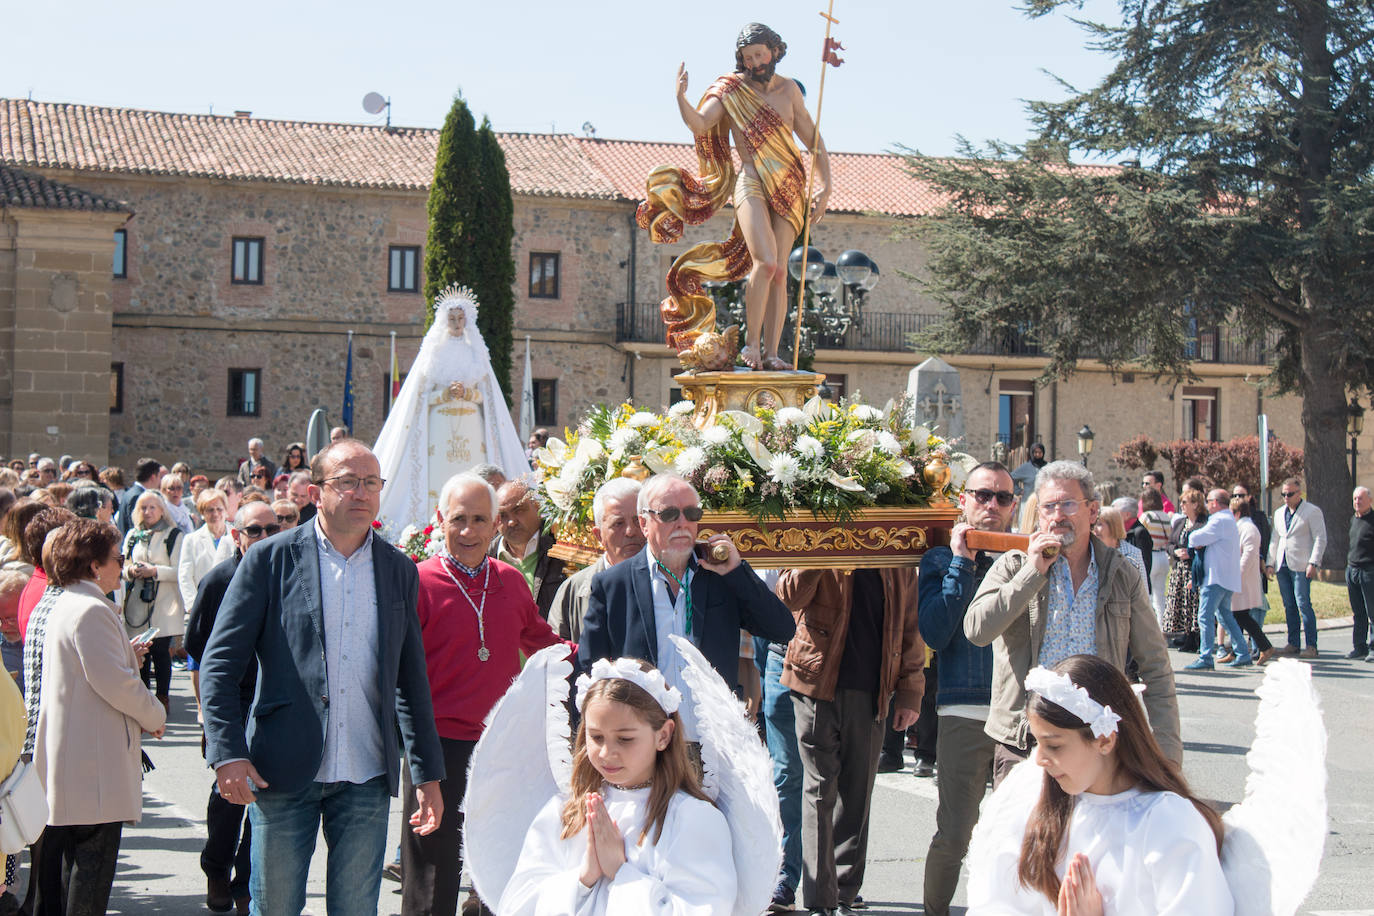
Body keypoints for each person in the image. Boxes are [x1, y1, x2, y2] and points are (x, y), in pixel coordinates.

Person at [199, 438, 446, 916]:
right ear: (316, 494)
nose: (361, 493)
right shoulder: (269, 560)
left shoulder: (398, 569)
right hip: (282, 772)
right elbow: (220, 663)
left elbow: (410, 680)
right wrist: (226, 752)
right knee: (276, 907)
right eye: (348, 482)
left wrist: (426, 773)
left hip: (367, 776)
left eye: (371, 483)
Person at [402, 473, 573, 916]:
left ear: (496, 523)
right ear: (440, 520)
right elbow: (400, 674)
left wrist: (600, 658)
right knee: (433, 871)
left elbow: (542, 641)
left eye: (480, 519)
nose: (468, 531)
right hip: (437, 744)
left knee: (500, 864)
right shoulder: (417, 583)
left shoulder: (510, 580)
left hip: (498, 745)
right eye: (458, 518)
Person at [964, 460, 1181, 784]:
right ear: (1039, 514)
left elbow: (1156, 669)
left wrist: (1167, 758)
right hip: (1026, 744)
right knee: (1029, 836)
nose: (1058, 514)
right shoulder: (1014, 566)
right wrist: (1032, 573)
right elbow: (977, 630)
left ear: (1092, 511)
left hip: (1098, 745)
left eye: (1068, 504)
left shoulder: (1122, 575)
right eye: (1049, 506)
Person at [965, 655, 1231, 915]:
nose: (1040, 759)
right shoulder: (1039, 807)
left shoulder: (1168, 822)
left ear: (1105, 740)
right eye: (1037, 743)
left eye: (1054, 745)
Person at [639, 23, 830, 371]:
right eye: (748, 57)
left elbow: (813, 140)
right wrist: (681, 97)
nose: (756, 62)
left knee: (780, 273)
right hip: (752, 179)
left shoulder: (789, 91)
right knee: (766, 262)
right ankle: (752, 345)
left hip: (789, 183)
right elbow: (699, 124)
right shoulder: (729, 90)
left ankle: (773, 353)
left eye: (760, 54)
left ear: (773, 51)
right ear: (741, 59)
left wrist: (826, 187)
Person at [497, 659, 736, 915]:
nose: (607, 752)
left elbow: (704, 908)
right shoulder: (565, 812)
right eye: (596, 737)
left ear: (663, 735)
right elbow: (516, 906)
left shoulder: (692, 819)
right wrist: (583, 877)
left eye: (625, 739)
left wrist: (621, 873)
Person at [577, 474, 795, 734]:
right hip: (645, 745)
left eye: (691, 513)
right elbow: (590, 671)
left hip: (714, 743)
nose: (682, 523)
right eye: (669, 514)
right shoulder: (613, 584)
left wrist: (738, 571)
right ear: (645, 524)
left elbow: (781, 629)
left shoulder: (721, 576)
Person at [32, 518, 166, 915]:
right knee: (90, 877)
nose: (121, 566)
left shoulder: (73, 602)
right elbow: (116, 683)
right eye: (116, 558)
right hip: (93, 765)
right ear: (93, 565)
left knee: (76, 872)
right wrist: (154, 712)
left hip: (81, 758)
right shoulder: (90, 608)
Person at [778, 557, 923, 916]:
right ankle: (820, 900)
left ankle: (843, 893)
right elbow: (787, 597)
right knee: (819, 791)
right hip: (815, 682)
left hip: (873, 689)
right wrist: (822, 552)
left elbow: (909, 627)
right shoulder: (816, 532)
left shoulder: (895, 555)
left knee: (857, 792)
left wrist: (909, 692)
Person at [917, 462, 1016, 916]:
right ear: (964, 499)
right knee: (955, 831)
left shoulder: (1025, 557)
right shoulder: (940, 561)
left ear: (1014, 505)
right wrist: (962, 561)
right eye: (982, 495)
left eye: (1002, 497)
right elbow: (935, 633)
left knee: (1019, 832)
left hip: (1019, 715)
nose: (992, 505)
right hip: (966, 709)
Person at [184, 501, 280, 915]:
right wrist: (209, 709)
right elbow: (197, 650)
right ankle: (217, 867)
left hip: (274, 698)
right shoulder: (217, 581)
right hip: (233, 698)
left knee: (266, 792)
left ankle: (246, 882)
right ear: (236, 534)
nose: (263, 537)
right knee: (228, 796)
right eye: (254, 530)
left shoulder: (290, 576)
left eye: (271, 529)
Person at [374, 286, 530, 531]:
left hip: (470, 427)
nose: (457, 323)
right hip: (440, 426)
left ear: (467, 320)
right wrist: (445, 394)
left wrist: (468, 393)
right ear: (444, 321)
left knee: (472, 471)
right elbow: (421, 398)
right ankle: (436, 525)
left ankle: (476, 519)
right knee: (439, 474)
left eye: (460, 318)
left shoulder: (476, 354)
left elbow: (487, 398)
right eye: (452, 318)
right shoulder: (433, 354)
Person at [549, 478, 645, 642]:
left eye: (638, 521)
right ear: (598, 535)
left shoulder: (670, 581)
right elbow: (555, 656)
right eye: (618, 523)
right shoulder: (574, 591)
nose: (630, 531)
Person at [122, 490, 185, 712]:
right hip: (138, 604)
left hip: (163, 603)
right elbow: (123, 564)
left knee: (160, 652)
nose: (147, 512)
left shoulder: (173, 535)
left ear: (161, 510)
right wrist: (131, 570)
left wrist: (155, 571)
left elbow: (179, 570)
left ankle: (162, 697)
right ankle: (143, 698)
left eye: (152, 507)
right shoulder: (132, 535)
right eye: (143, 508)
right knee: (141, 653)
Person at [1180, 489, 1248, 670]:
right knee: (1225, 616)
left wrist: (1196, 539)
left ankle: (1206, 656)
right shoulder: (1228, 519)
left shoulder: (1219, 520)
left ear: (1216, 503)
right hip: (1225, 576)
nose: (1207, 504)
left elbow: (1195, 536)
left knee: (1205, 616)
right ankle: (1242, 651)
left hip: (1215, 577)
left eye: (1209, 500)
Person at [1265, 477, 1327, 658]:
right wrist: (1270, 563)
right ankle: (1293, 643)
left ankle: (1311, 645)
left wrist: (1313, 562)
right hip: (1283, 563)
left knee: (1303, 604)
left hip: (1301, 564)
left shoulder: (1312, 511)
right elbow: (1275, 539)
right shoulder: (1278, 513)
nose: (1286, 497)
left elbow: (1320, 538)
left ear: (1299, 493)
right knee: (1289, 605)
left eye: (1289, 494)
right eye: (1283, 494)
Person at [492, 480, 567, 620]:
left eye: (519, 510)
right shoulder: (485, 557)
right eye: (502, 515)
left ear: (537, 507)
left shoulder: (563, 545)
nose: (511, 521)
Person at [1221, 496, 1274, 666]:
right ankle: (1239, 650)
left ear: (1236, 513)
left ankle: (1261, 647)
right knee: (1238, 617)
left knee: (1239, 617)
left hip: (1241, 582)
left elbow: (1248, 556)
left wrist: (1235, 576)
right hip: (1239, 581)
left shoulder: (1248, 528)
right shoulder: (1241, 527)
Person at [1163, 486, 1207, 649]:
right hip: (1179, 568)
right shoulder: (1180, 522)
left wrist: (1191, 553)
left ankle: (1196, 637)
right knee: (1182, 604)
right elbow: (1169, 543)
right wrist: (1175, 551)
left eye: (1185, 502)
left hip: (1193, 568)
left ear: (1195, 504)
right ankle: (1186, 635)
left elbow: (1205, 546)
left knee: (1193, 603)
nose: (1181, 505)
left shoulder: (1204, 522)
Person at [178, 488, 235, 611]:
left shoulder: (237, 537)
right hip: (202, 606)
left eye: (219, 509)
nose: (215, 514)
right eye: (210, 510)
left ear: (226, 511)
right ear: (202, 513)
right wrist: (194, 606)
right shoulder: (191, 540)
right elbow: (185, 576)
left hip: (231, 605)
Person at [1137, 489, 1172, 626]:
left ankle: (1150, 626)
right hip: (1163, 555)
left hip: (1151, 555)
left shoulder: (1147, 516)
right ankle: (1162, 625)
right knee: (1160, 594)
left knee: (1148, 592)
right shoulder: (1166, 517)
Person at [1346, 486, 1374, 661]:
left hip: (1369, 571)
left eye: (1361, 499)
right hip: (1352, 570)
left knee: (1372, 612)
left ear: (1370, 500)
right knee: (1358, 612)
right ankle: (1360, 646)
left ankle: (1373, 648)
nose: (1357, 502)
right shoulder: (1353, 519)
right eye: (1355, 499)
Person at [1093, 505, 1147, 585]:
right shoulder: (1090, 553)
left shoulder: (1132, 554)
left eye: (1099, 524)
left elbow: (1142, 590)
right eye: (1093, 525)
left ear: (1113, 527)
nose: (1095, 529)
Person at [117, 457, 163, 535]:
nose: (160, 481)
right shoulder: (137, 496)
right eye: (159, 477)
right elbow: (137, 526)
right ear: (153, 477)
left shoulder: (131, 492)